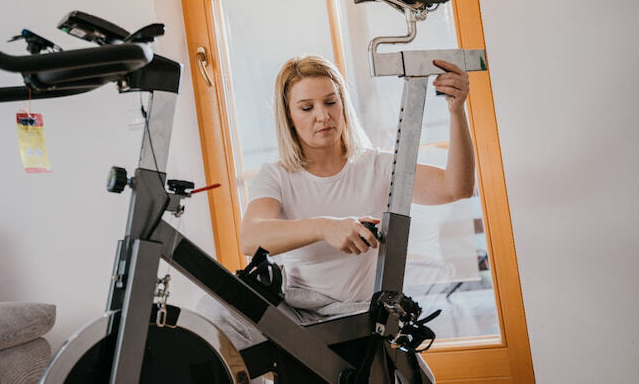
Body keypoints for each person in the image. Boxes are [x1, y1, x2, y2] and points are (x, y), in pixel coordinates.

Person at [197, 54, 474, 379]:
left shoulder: (378, 166)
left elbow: (457, 187)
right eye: (307, 107)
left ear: (343, 104)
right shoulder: (277, 175)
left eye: (330, 102)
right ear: (289, 116)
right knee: (213, 309)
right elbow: (251, 237)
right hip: (296, 315)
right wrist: (324, 227)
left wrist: (457, 111)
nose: (322, 116)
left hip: (358, 315)